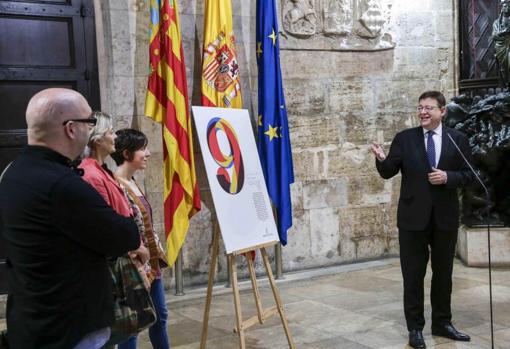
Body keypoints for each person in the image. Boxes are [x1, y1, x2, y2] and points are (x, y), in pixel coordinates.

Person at [0, 88, 140, 349]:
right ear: (71, 128)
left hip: (33, 316)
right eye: (91, 122)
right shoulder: (63, 185)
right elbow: (125, 236)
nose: (93, 130)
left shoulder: (14, 172)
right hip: (67, 326)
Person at [370, 91, 473, 349]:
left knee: (444, 275)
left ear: (442, 111)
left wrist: (448, 177)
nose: (423, 112)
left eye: (429, 108)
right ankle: (415, 328)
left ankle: (442, 323)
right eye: (420, 108)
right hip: (412, 220)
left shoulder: (457, 139)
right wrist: (381, 159)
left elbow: (469, 175)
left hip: (445, 219)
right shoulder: (405, 139)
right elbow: (388, 171)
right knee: (413, 276)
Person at [112, 129, 170, 349]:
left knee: (160, 316)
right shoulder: (116, 184)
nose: (147, 153)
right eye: (142, 149)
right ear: (126, 154)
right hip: (134, 265)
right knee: (133, 323)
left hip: (150, 262)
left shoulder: (132, 180)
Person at [78, 112, 150, 286]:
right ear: (98, 140)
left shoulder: (101, 170)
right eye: (110, 132)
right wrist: (136, 249)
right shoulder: (91, 174)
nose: (115, 136)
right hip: (121, 259)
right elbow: (107, 223)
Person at [493, 0, 510, 88]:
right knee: (503, 66)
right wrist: (502, 32)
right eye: (504, 6)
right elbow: (494, 36)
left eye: (508, 6)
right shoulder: (497, 22)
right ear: (501, 8)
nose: (506, 8)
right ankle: (506, 84)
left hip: (509, 45)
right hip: (501, 47)